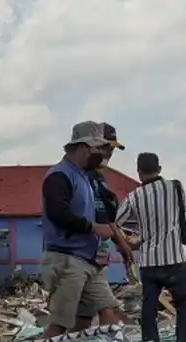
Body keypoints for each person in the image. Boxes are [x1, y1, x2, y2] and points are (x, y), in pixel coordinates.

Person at [41, 121, 124, 337]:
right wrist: (92, 227)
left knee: (109, 309)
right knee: (60, 322)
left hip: (88, 260)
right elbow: (57, 213)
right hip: (67, 259)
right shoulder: (59, 176)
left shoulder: (84, 176)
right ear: (84, 147)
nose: (101, 153)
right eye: (97, 148)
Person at [113, 152, 186, 342]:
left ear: (139, 172)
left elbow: (116, 222)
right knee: (184, 304)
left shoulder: (134, 196)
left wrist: (133, 238)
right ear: (159, 169)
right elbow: (179, 214)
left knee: (149, 308)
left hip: (149, 262)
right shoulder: (175, 187)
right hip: (174, 258)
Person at [73, 122, 133, 330]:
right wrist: (121, 243)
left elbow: (107, 217)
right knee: (108, 310)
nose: (110, 152)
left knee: (82, 318)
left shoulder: (98, 178)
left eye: (112, 148)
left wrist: (121, 243)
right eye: (107, 147)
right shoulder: (82, 177)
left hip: (94, 257)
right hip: (79, 256)